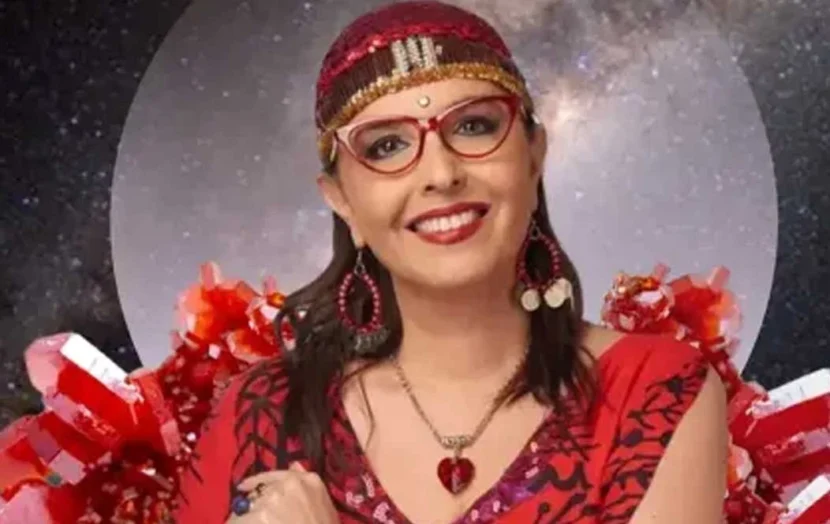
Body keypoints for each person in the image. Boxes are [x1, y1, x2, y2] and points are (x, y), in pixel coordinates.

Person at [173, 1, 728, 522]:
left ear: (534, 156)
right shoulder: (262, 414)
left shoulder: (654, 391)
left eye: (473, 126)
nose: (441, 174)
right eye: (386, 146)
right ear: (342, 201)